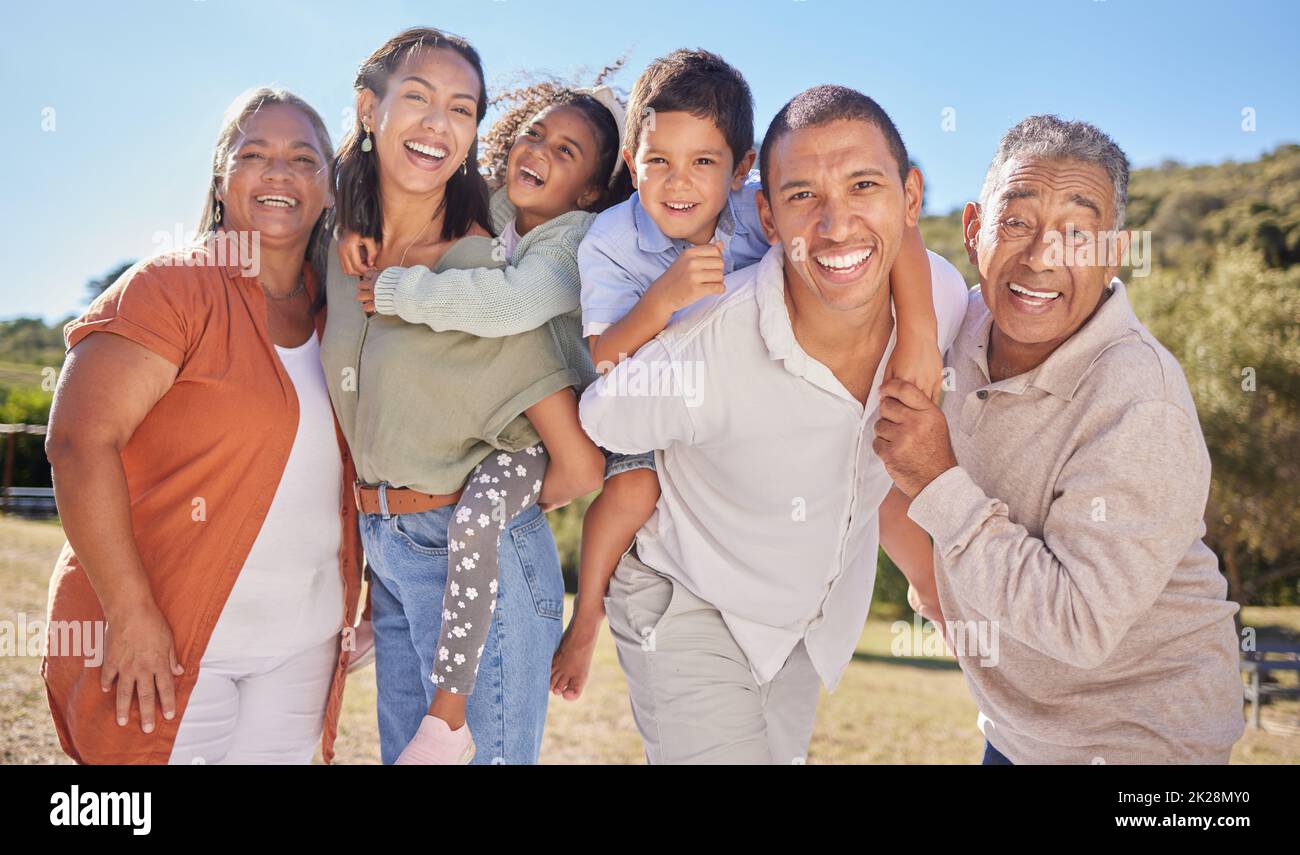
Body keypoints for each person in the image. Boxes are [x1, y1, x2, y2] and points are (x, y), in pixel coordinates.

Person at [578, 85, 969, 763]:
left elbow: (868, 473)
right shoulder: (709, 344)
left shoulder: (939, 301)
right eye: (803, 197)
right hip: (686, 595)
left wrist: (932, 577)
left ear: (910, 199)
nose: (837, 224)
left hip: (798, 624)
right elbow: (604, 412)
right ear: (765, 213)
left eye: (863, 185)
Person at [874, 115, 1246, 764]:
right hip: (1015, 732)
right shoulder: (959, 326)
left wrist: (936, 480)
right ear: (972, 230)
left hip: (1144, 746)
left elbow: (1080, 622)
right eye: (1017, 222)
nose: (1043, 257)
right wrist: (927, 581)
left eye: (1078, 233)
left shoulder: (1140, 401)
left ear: (1114, 254)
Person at [43, 87, 363, 764]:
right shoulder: (168, 289)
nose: (279, 173)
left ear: (329, 189)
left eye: (303, 159)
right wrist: (129, 613)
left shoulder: (346, 317)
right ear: (223, 178)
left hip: (300, 649)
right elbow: (77, 443)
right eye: (255, 155)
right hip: (170, 643)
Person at [337, 71, 632, 762]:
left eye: (568, 151)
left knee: (478, 514)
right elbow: (437, 219)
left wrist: (401, 288)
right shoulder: (502, 211)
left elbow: (507, 306)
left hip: (538, 433)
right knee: (477, 511)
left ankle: (449, 713)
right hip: (451, 481)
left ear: (590, 190)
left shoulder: (573, 243)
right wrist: (366, 228)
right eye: (536, 133)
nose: (541, 149)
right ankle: (406, 615)